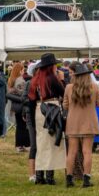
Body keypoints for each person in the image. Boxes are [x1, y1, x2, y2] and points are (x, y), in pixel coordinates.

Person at [28, 53, 66, 186]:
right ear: (51, 66)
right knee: (51, 143)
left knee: (41, 143)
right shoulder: (52, 79)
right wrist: (62, 80)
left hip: (39, 111)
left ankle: (39, 175)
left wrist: (32, 120)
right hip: (52, 110)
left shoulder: (35, 80)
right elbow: (64, 93)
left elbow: (31, 101)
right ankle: (49, 176)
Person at [64, 63, 99, 188]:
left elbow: (65, 106)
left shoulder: (69, 87)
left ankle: (69, 179)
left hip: (73, 122)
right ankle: (86, 179)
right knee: (87, 152)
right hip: (89, 122)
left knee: (71, 152)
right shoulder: (94, 87)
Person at [7, 62, 30, 152]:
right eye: (23, 70)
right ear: (20, 70)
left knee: (20, 126)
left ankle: (19, 145)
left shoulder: (11, 80)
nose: (24, 71)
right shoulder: (20, 81)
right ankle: (22, 145)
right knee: (23, 126)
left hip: (15, 106)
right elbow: (23, 94)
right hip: (22, 106)